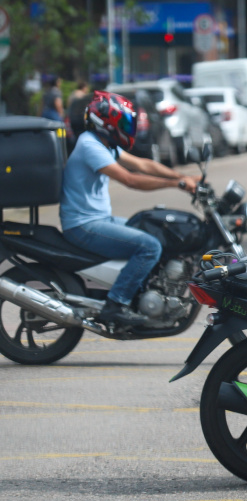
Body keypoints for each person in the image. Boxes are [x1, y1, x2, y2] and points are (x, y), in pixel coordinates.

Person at [60, 91, 199, 327]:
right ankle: (116, 304)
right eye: (122, 122)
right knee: (149, 246)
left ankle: (144, 293)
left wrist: (181, 176)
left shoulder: (106, 145)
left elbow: (142, 164)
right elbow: (130, 179)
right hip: (83, 225)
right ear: (105, 123)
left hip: (100, 219)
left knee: (156, 233)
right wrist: (177, 184)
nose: (126, 127)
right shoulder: (89, 145)